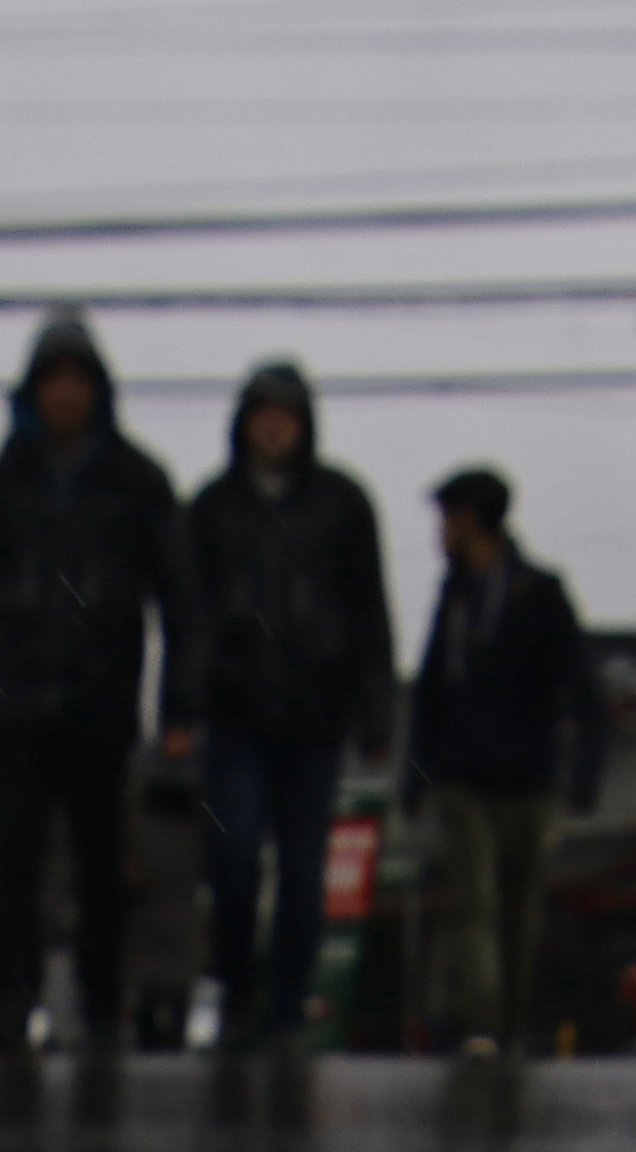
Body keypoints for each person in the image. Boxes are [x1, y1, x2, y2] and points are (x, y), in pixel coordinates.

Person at [0, 309, 194, 1054]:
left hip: (103, 702)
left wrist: (180, 704)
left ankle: (102, 1009)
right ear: (34, 390)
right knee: (12, 865)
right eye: (54, 380)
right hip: (15, 702)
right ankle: (9, 1006)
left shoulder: (138, 481)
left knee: (103, 868)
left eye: (79, 380)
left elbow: (180, 598)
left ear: (99, 390)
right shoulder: (2, 479)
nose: (66, 394)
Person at [183, 357, 395, 1052]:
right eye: (262, 413)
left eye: (286, 415)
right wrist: (183, 705)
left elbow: (369, 608)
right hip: (237, 714)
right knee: (235, 860)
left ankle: (288, 1010)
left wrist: (376, 711)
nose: (273, 427)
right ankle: (239, 991)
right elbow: (188, 615)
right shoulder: (212, 508)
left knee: (306, 875)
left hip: (316, 714)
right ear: (242, 423)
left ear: (305, 425)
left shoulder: (343, 502)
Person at [403, 464, 602, 1058]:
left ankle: (511, 1023)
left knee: (521, 908)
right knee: (477, 904)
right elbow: (431, 693)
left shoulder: (540, 592)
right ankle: (483, 1024)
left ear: (470, 520)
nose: (440, 532)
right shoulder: (453, 598)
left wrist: (585, 767)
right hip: (463, 779)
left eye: (447, 518)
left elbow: (581, 684)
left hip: (528, 777)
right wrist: (418, 777)